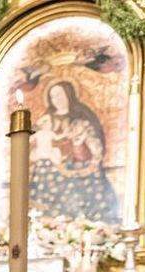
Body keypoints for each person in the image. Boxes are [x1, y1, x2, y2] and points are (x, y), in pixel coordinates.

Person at [30, 79, 120, 224]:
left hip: (78, 165)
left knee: (86, 183)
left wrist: (88, 158)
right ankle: (48, 222)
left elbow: (94, 144)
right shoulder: (46, 120)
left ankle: (84, 223)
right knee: (44, 169)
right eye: (53, 97)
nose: (57, 100)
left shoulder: (81, 118)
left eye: (60, 95)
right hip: (51, 167)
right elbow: (32, 140)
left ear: (68, 95)